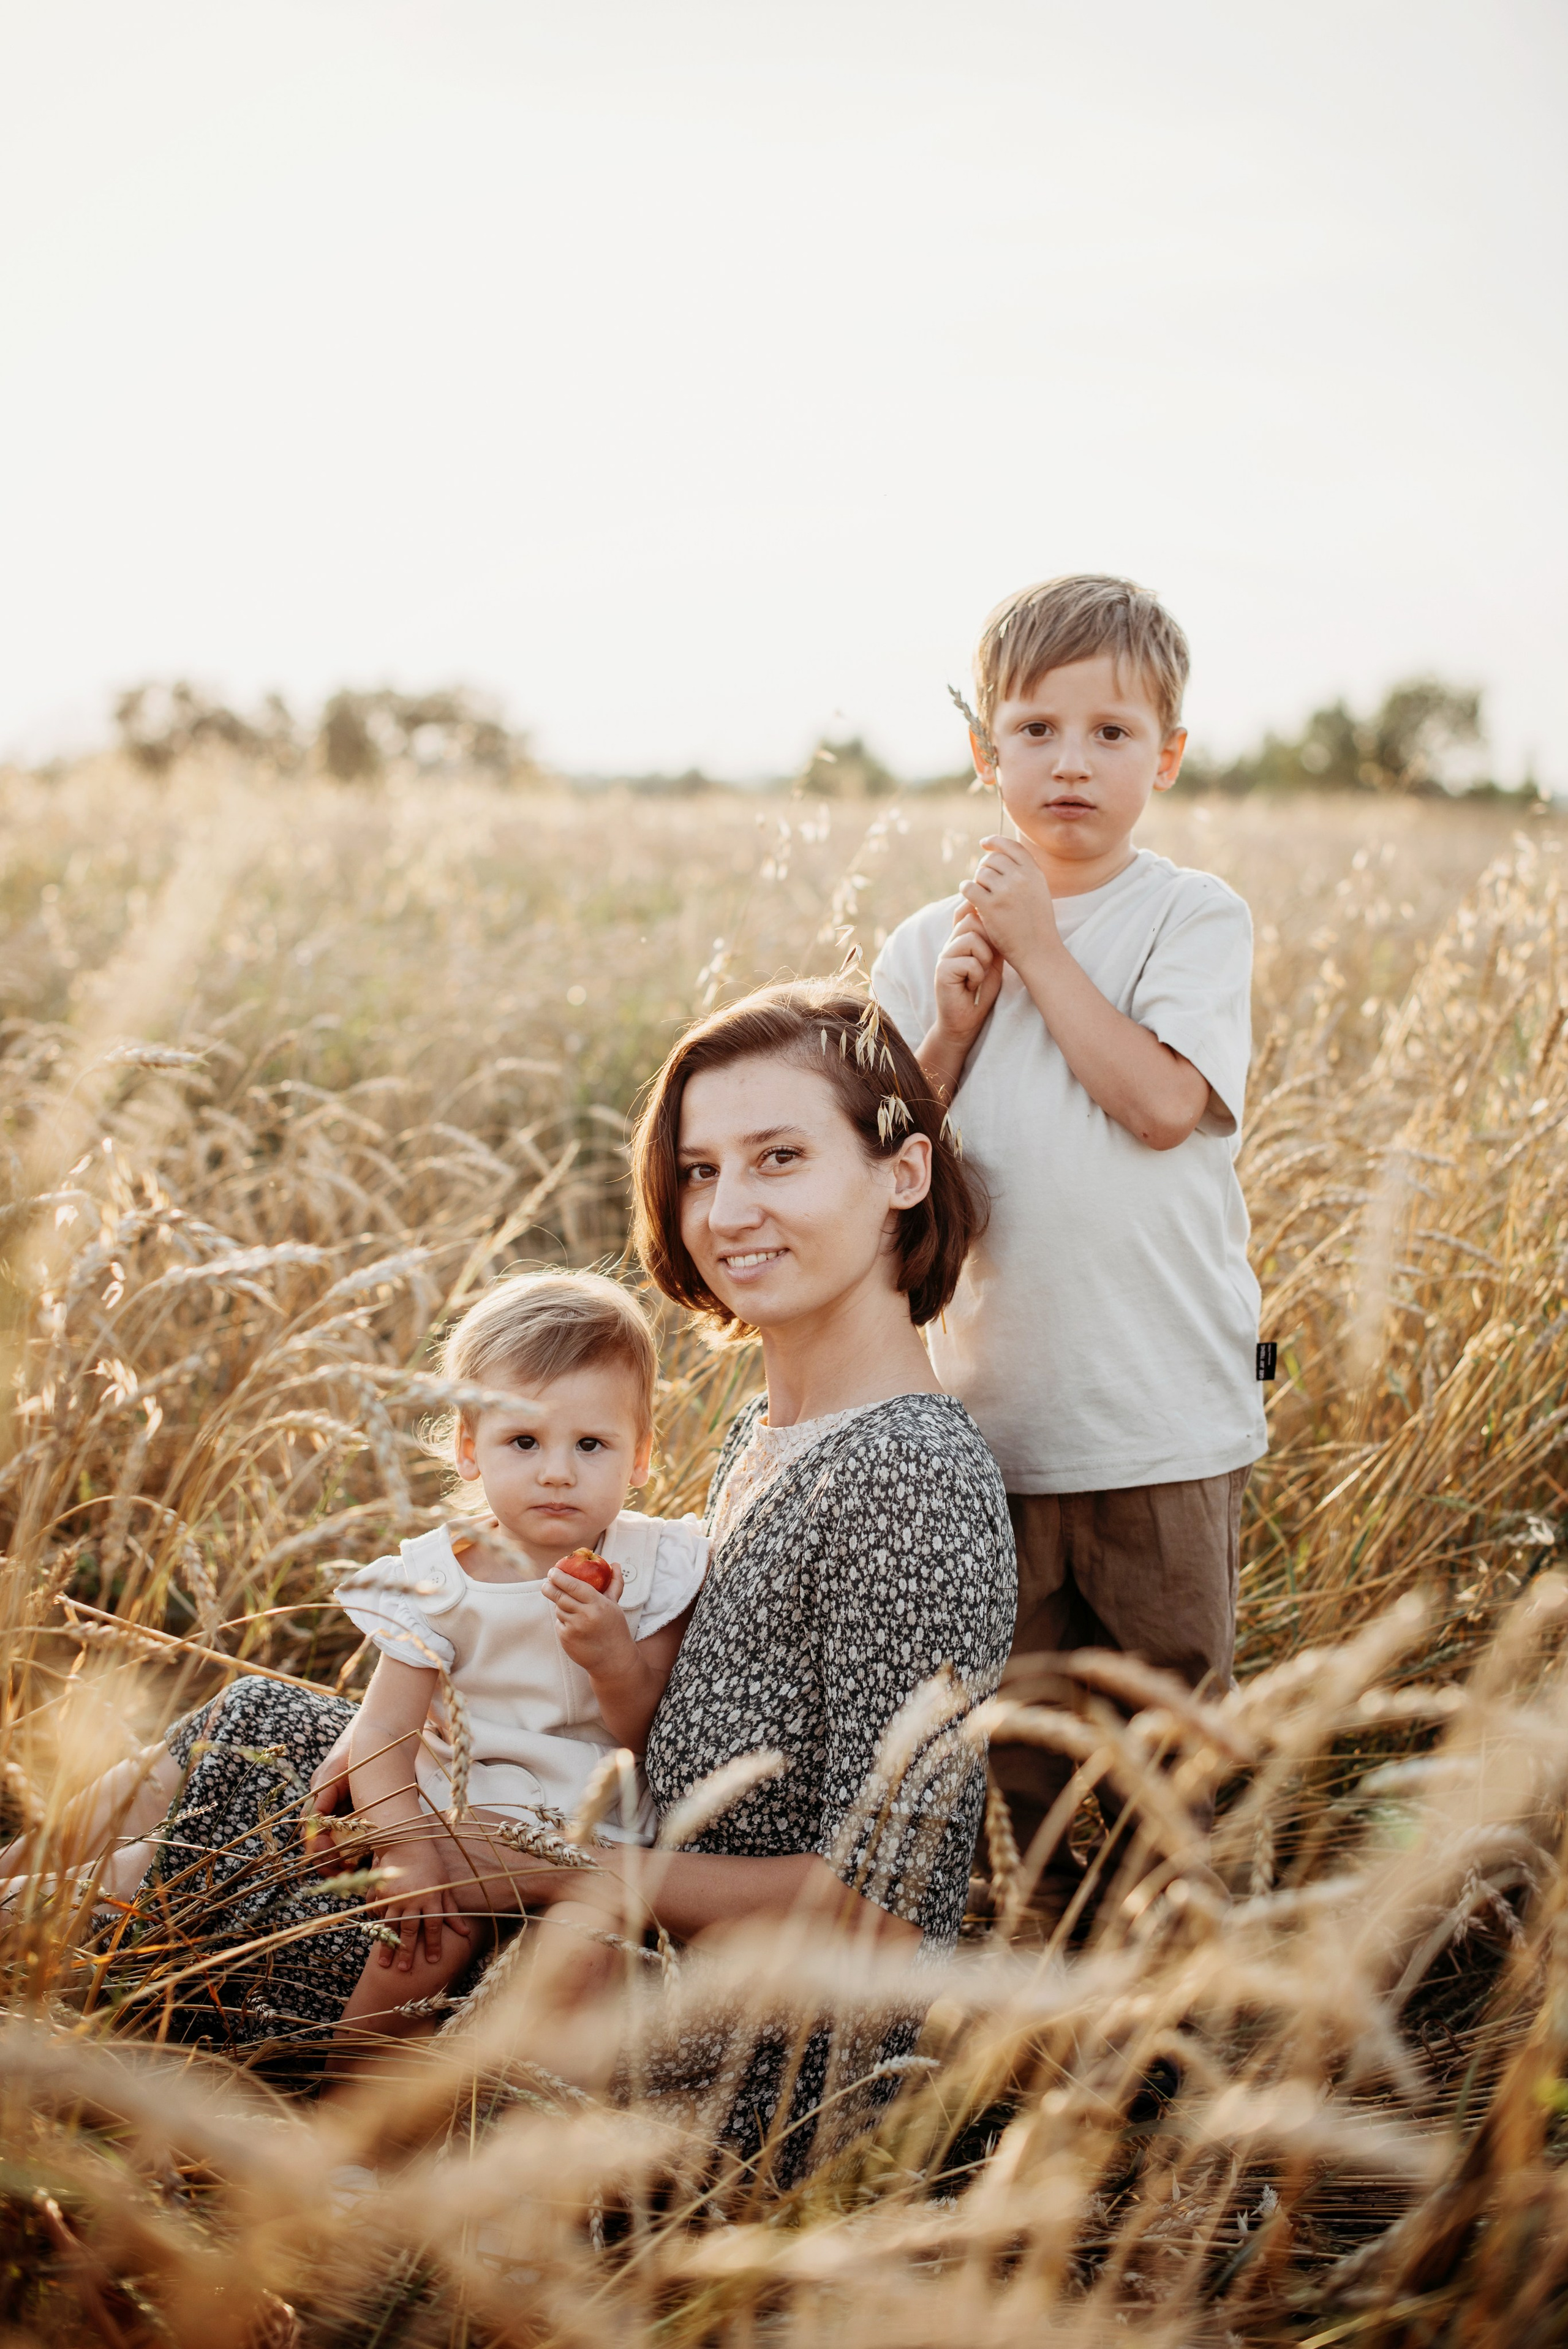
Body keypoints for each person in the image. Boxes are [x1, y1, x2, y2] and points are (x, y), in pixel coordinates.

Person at [326, 981, 1016, 2171]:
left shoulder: (906, 1475)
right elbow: (686, 1730)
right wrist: (404, 1739)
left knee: (212, 1862)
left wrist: (551, 1867)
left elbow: (882, 1912)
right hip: (611, 1874)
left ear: (901, 1175)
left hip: (716, 2037)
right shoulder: (772, 1431)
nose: (728, 1207)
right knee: (257, 1743)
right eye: (699, 1169)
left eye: (779, 1158)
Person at [2, 1272, 707, 2064]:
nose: (556, 1471)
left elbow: (653, 1730)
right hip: (451, 1802)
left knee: (491, 1943)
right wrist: (405, 1847)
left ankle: (351, 2121)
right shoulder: (439, 1577)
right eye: (524, 1442)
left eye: (591, 1445)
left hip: (583, 1825)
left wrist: (613, 1658)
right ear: (470, 1448)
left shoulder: (651, 1566)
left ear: (640, 1455)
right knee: (427, 1916)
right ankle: (27, 1875)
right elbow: (379, 1733)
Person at [871, 573, 1266, 1910]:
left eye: (1109, 733)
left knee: (1176, 1759)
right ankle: (1068, 2021)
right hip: (996, 1432)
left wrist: (1038, 951)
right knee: (1029, 1765)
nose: (1069, 762)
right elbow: (883, 1169)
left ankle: (1185, 2036)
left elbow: (1162, 1105)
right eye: (1034, 729)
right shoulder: (929, 945)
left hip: (1157, 1421)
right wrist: (947, 1029)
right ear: (984, 753)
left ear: (1163, 755)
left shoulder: (1187, 917)